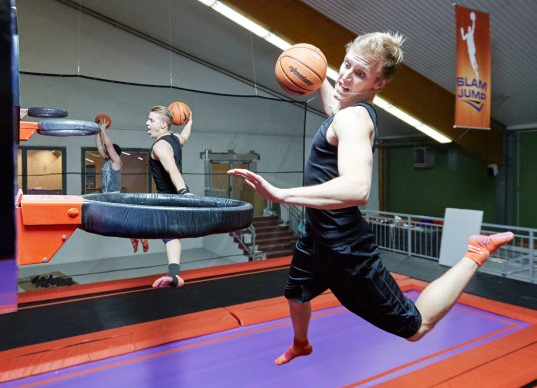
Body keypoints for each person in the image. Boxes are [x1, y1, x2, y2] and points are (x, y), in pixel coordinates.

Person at [228, 32, 513, 366]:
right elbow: (334, 107)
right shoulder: (344, 110)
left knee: (415, 326)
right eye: (346, 65)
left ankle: (474, 254)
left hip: (344, 246)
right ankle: (302, 343)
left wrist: (280, 194)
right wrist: (319, 75)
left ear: (380, 84)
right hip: (317, 236)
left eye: (360, 73)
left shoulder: (354, 118)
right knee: (295, 294)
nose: (347, 76)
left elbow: (357, 189)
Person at [146, 105, 193, 289]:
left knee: (162, 230)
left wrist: (183, 193)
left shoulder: (160, 146)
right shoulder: (174, 138)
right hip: (176, 199)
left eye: (151, 120)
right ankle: (174, 274)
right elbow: (185, 137)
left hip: (169, 199)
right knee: (170, 235)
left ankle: (138, 236)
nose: (147, 123)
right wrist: (189, 123)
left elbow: (171, 168)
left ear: (164, 125)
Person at [95, 116, 149, 253]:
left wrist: (103, 130)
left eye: (109, 151)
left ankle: (141, 237)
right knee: (117, 223)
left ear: (114, 152)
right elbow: (101, 147)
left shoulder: (116, 161)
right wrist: (97, 131)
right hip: (106, 197)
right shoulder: (107, 161)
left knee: (122, 220)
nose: (106, 152)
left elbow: (107, 145)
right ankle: (134, 237)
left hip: (114, 196)